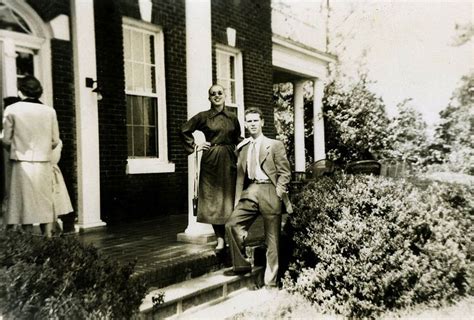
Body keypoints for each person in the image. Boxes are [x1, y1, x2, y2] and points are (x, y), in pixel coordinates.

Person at [225, 107, 293, 288]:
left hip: (271, 190)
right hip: (252, 190)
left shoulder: (274, 144)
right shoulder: (243, 147)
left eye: (256, 120)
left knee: (272, 240)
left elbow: (285, 172)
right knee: (232, 225)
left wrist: (279, 190)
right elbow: (240, 175)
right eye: (249, 121)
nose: (253, 124)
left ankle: (270, 283)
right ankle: (241, 265)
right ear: (245, 124)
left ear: (262, 122)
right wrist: (238, 199)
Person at [181, 84, 242, 252]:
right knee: (214, 200)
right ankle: (220, 239)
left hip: (229, 158)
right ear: (209, 98)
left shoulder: (232, 117)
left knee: (229, 199)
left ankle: (233, 237)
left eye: (219, 93)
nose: (216, 96)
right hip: (211, 160)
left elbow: (238, 137)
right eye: (213, 94)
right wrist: (196, 145)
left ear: (225, 96)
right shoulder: (204, 117)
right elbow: (184, 130)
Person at [1, 76, 60, 237]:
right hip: (43, 162)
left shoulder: (12, 109)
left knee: (24, 202)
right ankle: (49, 239)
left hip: (21, 162)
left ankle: (28, 241)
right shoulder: (50, 111)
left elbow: (5, 139)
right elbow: (55, 140)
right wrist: (43, 149)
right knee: (45, 200)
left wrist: (16, 148)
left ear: (20, 91)